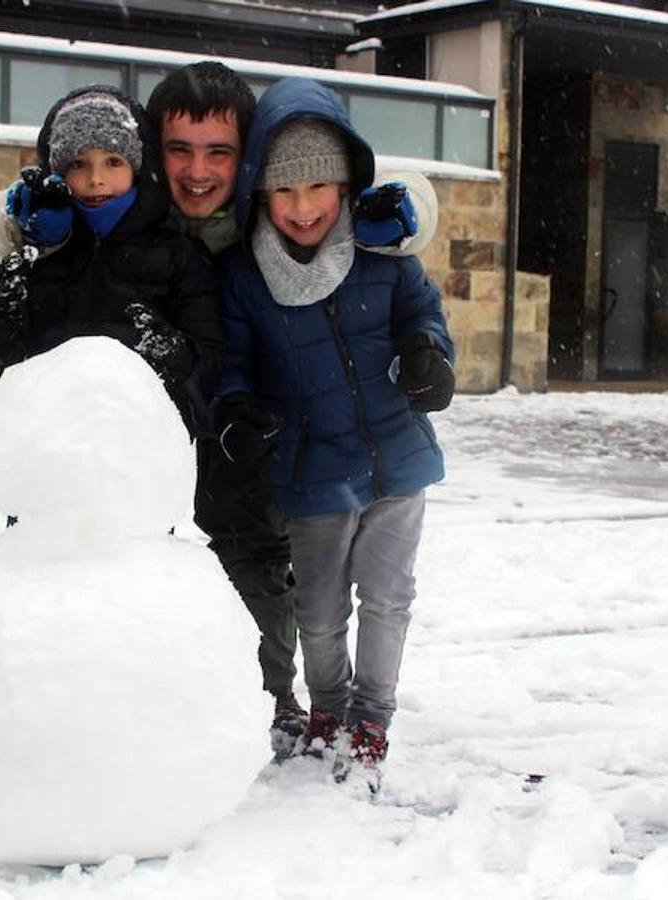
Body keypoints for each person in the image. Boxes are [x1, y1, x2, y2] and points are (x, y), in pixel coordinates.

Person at [0, 62, 442, 759]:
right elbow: (0, 227)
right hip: (137, 422)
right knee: (104, 548)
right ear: (152, 150)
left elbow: (385, 199)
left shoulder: (270, 194)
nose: (197, 170)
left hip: (245, 412)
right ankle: (80, 693)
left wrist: (409, 214)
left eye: (218, 151)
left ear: (244, 155)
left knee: (253, 549)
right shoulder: (116, 199)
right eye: (179, 150)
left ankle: (265, 691)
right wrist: (17, 217)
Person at [212, 76, 456, 793]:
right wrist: (236, 412)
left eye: (318, 188)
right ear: (261, 194)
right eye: (283, 193)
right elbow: (234, 363)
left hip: (396, 457)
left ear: (345, 185)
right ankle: (328, 709)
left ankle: (372, 717)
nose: (303, 207)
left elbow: (424, 316)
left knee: (387, 598)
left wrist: (429, 358)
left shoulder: (384, 251)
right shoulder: (245, 277)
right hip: (311, 467)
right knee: (318, 613)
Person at [0, 85, 220, 439]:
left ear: (138, 168)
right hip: (49, 450)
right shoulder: (39, 255)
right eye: (78, 164)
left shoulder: (178, 258)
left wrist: (176, 358)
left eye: (113, 162)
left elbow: (212, 366)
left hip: (145, 457)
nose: (96, 179)